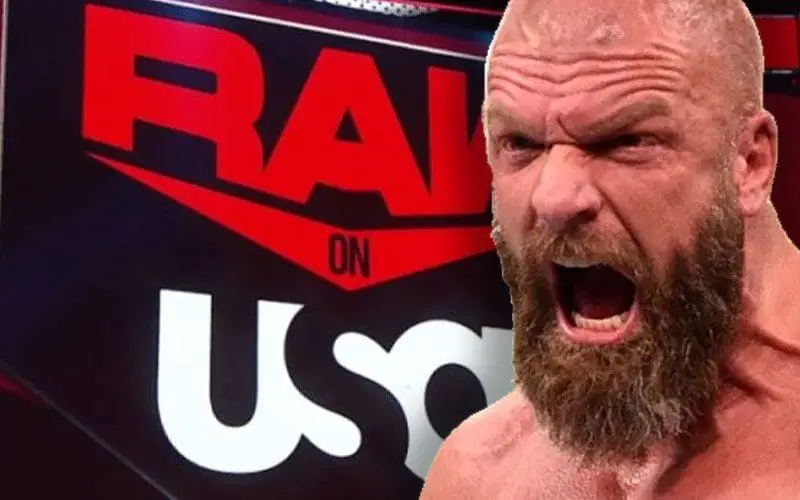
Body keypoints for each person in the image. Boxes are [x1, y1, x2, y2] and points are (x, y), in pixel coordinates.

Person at [419, 0, 800, 497]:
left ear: (750, 162)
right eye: (521, 143)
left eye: (626, 141)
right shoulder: (480, 471)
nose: (553, 198)